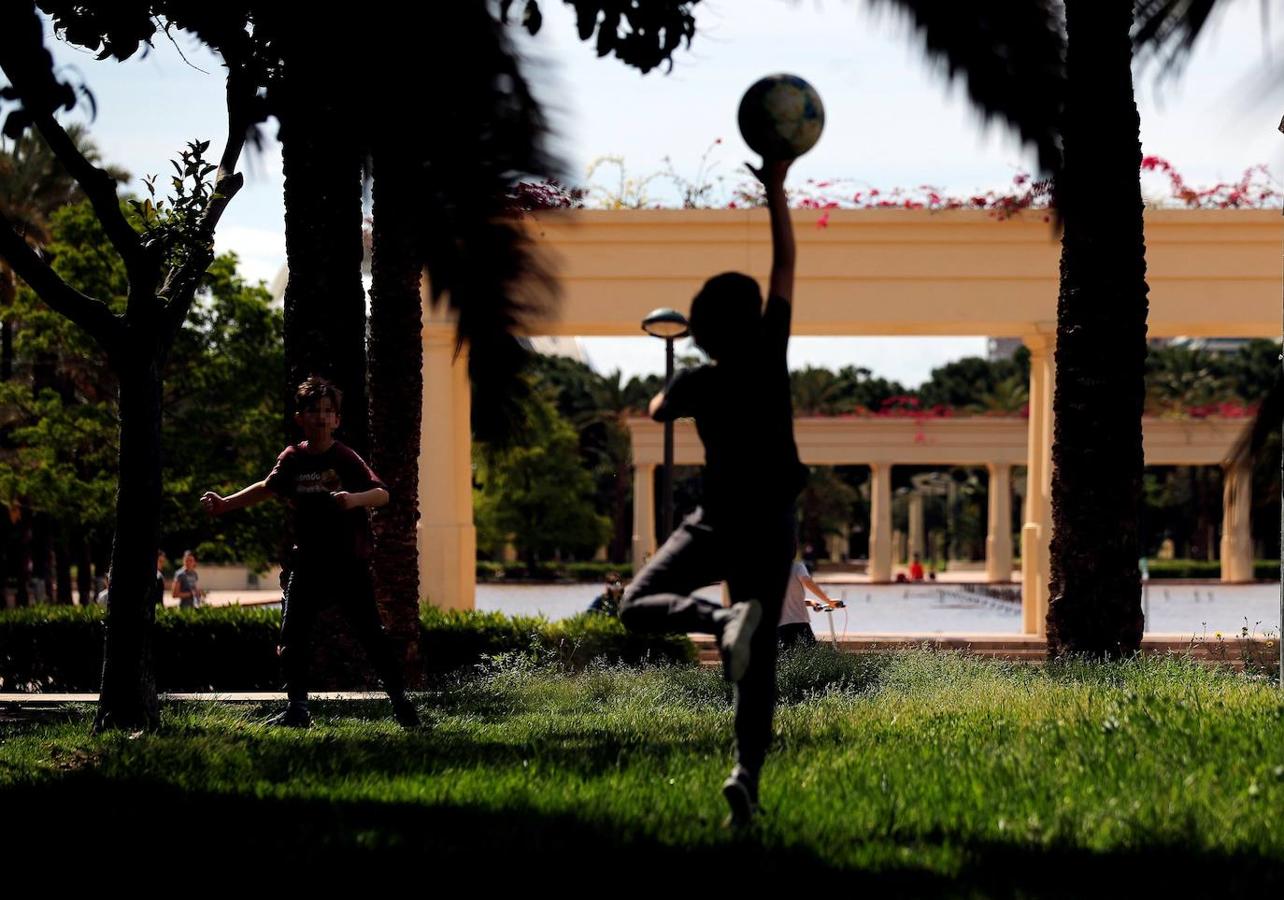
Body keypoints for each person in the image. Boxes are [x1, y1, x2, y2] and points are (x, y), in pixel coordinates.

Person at [617, 157, 804, 827]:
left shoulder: (699, 379)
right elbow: (786, 262)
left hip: (719, 520)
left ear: (698, 326)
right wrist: (776, 188)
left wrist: (676, 382)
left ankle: (720, 622)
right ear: (753, 319)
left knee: (638, 603)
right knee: (758, 670)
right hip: (772, 522)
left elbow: (657, 410)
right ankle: (745, 776)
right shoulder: (770, 350)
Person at [200, 375, 419, 730]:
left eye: (327, 411)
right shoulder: (293, 458)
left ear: (337, 420)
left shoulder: (345, 457)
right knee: (293, 636)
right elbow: (267, 487)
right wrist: (226, 504)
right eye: (313, 410)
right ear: (300, 417)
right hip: (309, 562)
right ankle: (298, 710)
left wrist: (354, 500)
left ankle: (401, 705)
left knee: (370, 634)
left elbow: (383, 494)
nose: (320, 416)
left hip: (348, 562)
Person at [777, 560, 838, 649]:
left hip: (781, 625)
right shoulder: (797, 566)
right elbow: (807, 581)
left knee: (786, 659)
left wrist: (810, 603)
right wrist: (828, 601)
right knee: (811, 657)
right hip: (800, 622)